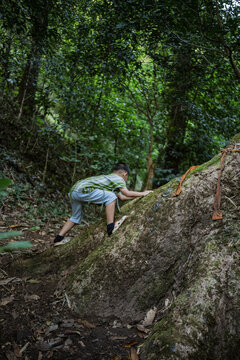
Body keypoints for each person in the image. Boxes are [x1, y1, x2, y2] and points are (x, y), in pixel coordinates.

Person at [53, 162, 152, 245]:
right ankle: (110, 228)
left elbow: (122, 197)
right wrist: (143, 193)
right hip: (84, 190)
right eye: (127, 177)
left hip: (74, 191)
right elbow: (126, 192)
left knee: (75, 217)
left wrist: (141, 195)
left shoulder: (108, 180)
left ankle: (58, 239)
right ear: (124, 174)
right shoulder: (118, 179)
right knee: (110, 196)